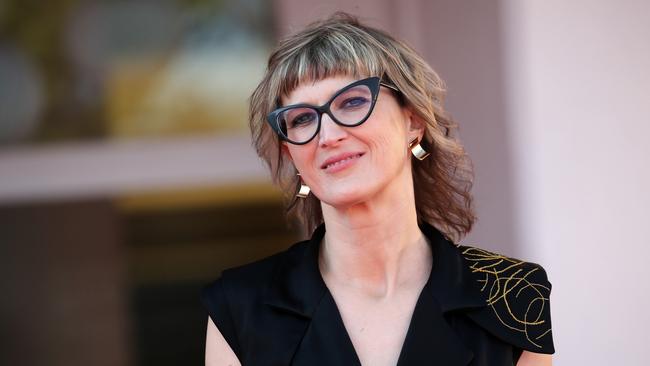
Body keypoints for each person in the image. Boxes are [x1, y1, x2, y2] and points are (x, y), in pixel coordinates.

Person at [202, 12, 554, 366]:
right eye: (302, 119)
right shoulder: (240, 306)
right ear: (290, 153)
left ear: (413, 120)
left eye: (352, 102)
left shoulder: (512, 294)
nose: (328, 135)